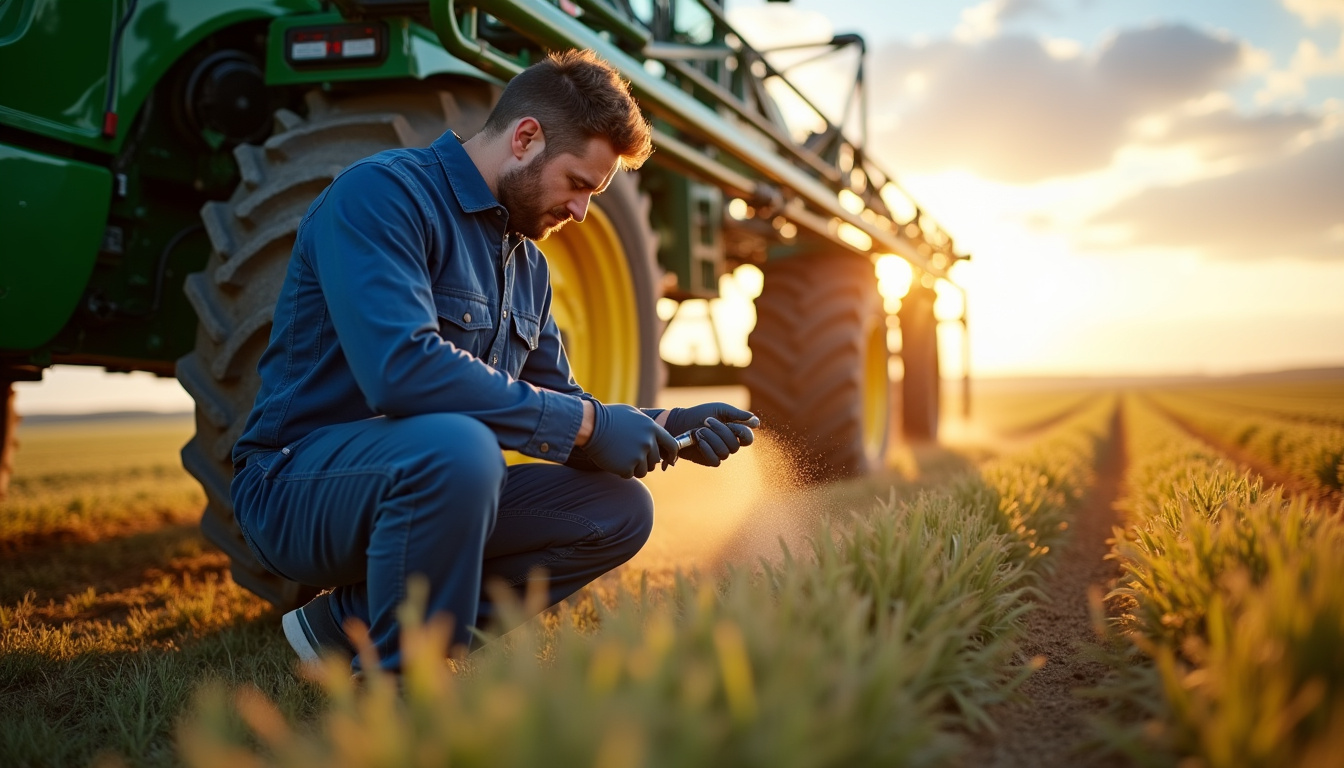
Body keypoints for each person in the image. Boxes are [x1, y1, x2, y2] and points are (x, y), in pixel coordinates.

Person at [229, 49, 756, 673]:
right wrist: (590, 426)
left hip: (435, 476)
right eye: (579, 185)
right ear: (525, 139)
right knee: (460, 448)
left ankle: (350, 624)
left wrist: (668, 425)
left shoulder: (528, 266)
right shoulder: (383, 195)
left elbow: (562, 406)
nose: (582, 211)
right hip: (296, 490)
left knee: (618, 511)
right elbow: (401, 371)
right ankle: (406, 691)